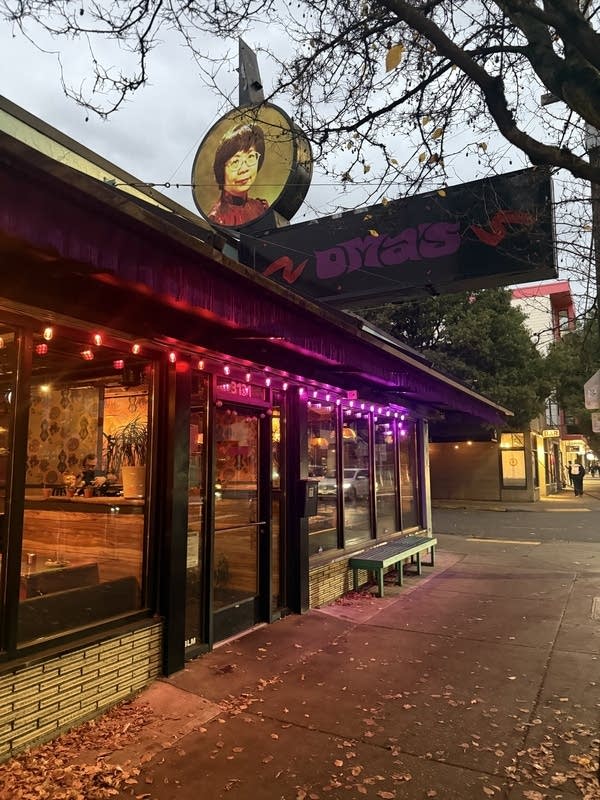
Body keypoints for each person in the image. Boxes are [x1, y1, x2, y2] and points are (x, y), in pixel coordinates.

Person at [208, 123, 269, 227]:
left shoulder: (260, 207)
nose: (244, 169)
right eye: (235, 162)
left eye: (250, 157)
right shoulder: (217, 219)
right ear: (221, 169)